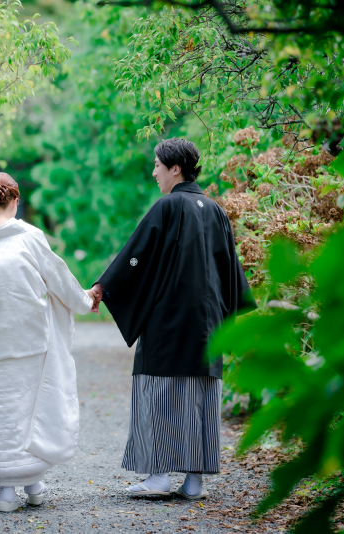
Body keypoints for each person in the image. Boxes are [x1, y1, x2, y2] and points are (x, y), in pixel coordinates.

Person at [91, 138, 256, 500]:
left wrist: (104, 286)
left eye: (157, 165)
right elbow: (231, 271)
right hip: (207, 322)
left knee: (159, 390)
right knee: (200, 393)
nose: (154, 173)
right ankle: (194, 481)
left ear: (175, 168)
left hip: (167, 317)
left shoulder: (167, 207)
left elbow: (136, 256)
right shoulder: (215, 210)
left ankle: (158, 475)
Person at [0, 172, 98, 512]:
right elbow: (58, 277)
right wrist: (85, 300)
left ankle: (10, 491)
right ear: (15, 201)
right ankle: (31, 483)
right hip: (30, 338)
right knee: (30, 411)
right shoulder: (30, 236)